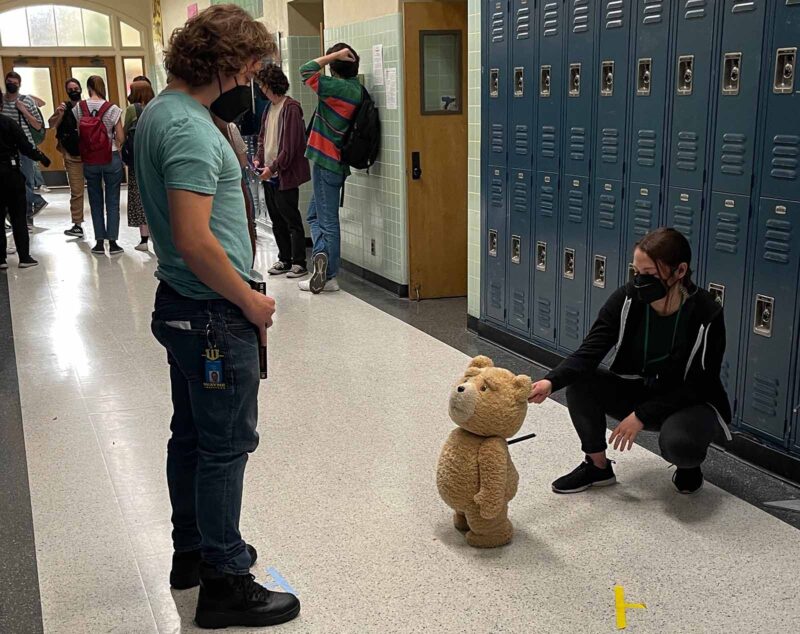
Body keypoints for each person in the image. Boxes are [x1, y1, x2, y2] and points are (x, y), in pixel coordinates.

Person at [134, 4, 300, 628]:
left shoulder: (163, 112)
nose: (254, 83)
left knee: (194, 437)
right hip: (211, 313)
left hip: (184, 308)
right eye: (251, 69)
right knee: (227, 445)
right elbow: (195, 239)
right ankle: (226, 580)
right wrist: (249, 300)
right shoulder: (192, 131)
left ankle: (192, 553)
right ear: (226, 66)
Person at [529, 228, 731, 495]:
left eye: (649, 274)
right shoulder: (627, 299)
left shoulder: (707, 312)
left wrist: (641, 416)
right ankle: (597, 467)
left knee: (682, 445)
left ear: (680, 271)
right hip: (642, 387)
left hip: (688, 400)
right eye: (637, 272)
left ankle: (688, 467)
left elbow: (698, 384)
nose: (640, 280)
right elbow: (589, 351)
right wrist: (550, 381)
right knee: (582, 382)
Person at [299, 44, 362, 293]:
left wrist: (334, 55)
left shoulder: (336, 88)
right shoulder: (356, 89)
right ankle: (322, 259)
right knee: (315, 215)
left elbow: (306, 71)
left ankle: (329, 274)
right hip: (337, 164)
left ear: (334, 68)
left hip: (326, 162)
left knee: (327, 221)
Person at [255, 64, 311, 278]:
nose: (261, 89)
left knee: (291, 220)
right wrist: (259, 158)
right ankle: (284, 259)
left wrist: (274, 167)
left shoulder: (291, 108)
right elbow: (263, 137)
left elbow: (290, 146)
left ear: (271, 85)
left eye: (262, 85)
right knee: (277, 219)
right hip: (269, 173)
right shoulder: (270, 108)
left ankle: (299, 262)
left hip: (283, 174)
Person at [0, 83, 51, 269]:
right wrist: (42, 158)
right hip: (11, 173)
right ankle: (24, 257)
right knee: (18, 216)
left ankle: (1, 259)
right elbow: (25, 146)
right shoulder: (8, 123)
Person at [74, 75, 125, 256]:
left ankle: (98, 242)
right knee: (112, 200)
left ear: (88, 88)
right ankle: (113, 242)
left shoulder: (79, 108)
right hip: (110, 157)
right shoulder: (113, 108)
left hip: (90, 159)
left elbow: (81, 133)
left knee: (95, 201)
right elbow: (120, 137)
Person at [1, 72, 47, 223]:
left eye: (14, 82)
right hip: (6, 148)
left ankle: (27, 217)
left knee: (26, 181)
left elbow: (38, 125)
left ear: (19, 84)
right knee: (10, 183)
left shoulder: (26, 100)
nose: (11, 84)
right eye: (9, 82)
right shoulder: (1, 100)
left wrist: (24, 111)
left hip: (25, 146)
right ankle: (18, 214)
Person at [49, 78, 86, 238]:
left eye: (76, 88)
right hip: (71, 154)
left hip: (90, 153)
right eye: (70, 89)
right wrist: (60, 113)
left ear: (81, 89)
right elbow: (51, 125)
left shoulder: (86, 106)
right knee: (76, 191)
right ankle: (77, 224)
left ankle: (101, 224)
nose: (73, 91)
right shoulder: (63, 108)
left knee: (97, 190)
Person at [124, 79, 155, 251]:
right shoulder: (157, 106)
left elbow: (124, 129)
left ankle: (144, 239)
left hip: (137, 159)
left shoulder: (132, 109)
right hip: (155, 157)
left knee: (138, 196)